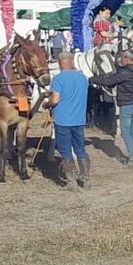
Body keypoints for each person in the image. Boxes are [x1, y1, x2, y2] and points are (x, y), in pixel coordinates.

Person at [89, 53, 133, 165]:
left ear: (127, 59)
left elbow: (108, 81)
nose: (120, 61)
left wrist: (92, 79)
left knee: (126, 132)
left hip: (126, 105)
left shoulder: (124, 72)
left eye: (122, 59)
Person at [47, 53, 90, 188]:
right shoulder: (83, 78)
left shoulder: (58, 79)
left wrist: (47, 104)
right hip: (79, 119)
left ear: (60, 63)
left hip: (63, 120)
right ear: (72, 62)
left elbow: (55, 100)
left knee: (65, 151)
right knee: (80, 149)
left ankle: (71, 182)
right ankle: (85, 180)